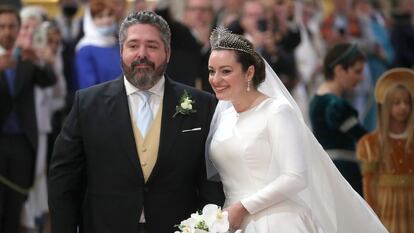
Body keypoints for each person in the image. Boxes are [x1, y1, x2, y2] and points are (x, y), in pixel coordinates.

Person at [48, 10, 224, 233]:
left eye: (151, 46)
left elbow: (211, 181)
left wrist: (206, 228)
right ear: (121, 51)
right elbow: (63, 180)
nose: (142, 54)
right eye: (133, 46)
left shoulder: (203, 104)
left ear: (167, 52)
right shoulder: (87, 104)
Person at [206, 27, 387, 232]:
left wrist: (243, 207)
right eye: (212, 71)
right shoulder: (224, 115)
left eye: (226, 71)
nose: (215, 79)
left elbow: (296, 177)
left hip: (275, 220)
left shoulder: (276, 111)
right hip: (230, 221)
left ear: (249, 72)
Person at [0, 4, 56, 233]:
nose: (7, 31)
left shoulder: (25, 57)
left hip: (23, 143)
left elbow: (48, 80)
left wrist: (39, 59)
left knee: (16, 205)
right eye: (2, 26)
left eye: (12, 26)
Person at [357, 68, 414, 233]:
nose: (403, 107)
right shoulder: (372, 143)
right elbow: (369, 181)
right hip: (386, 202)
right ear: (386, 106)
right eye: (396, 103)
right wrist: (372, 210)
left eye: (407, 102)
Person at [309, 43, 366, 195]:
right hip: (343, 172)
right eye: (357, 71)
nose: (361, 78)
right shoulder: (334, 104)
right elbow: (363, 138)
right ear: (339, 70)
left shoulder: (317, 100)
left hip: (328, 171)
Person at [75, 0, 122, 89]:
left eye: (109, 15)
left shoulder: (116, 44)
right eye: (100, 17)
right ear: (91, 20)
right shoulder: (85, 49)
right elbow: (88, 88)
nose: (106, 20)